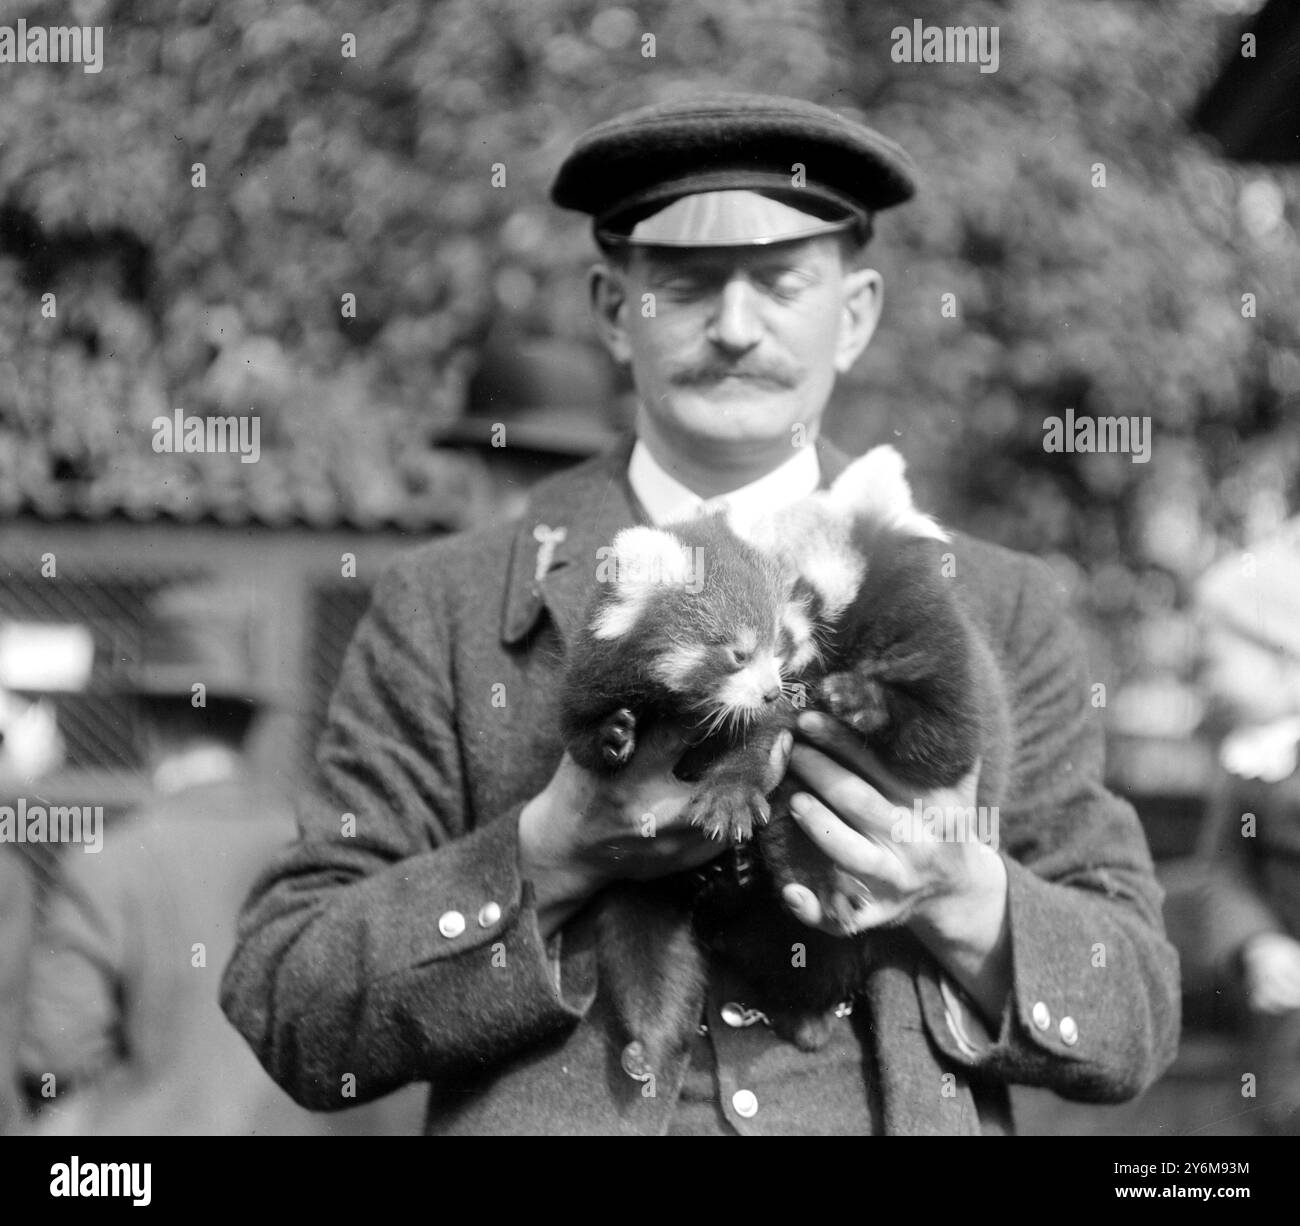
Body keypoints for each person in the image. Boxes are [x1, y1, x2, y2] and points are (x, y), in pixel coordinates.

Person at [220, 93, 1181, 1135]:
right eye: (683, 285)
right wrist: (546, 853)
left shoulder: (996, 603)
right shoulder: (444, 606)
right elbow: (290, 998)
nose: (733, 327)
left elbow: (1133, 1006)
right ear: (608, 308)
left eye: (779, 282)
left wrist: (957, 891)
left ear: (853, 313)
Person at [18, 584, 423, 1135]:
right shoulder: (325, 856)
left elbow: (56, 1055)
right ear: (250, 725)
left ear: (148, 725)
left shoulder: (111, 862)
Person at [1194, 518, 1300, 1134]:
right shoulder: (1246, 768)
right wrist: (1255, 940)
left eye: (1217, 661)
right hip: (1286, 994)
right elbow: (1226, 868)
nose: (1207, 680)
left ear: (1284, 656)